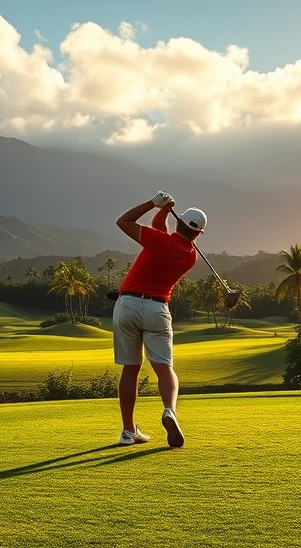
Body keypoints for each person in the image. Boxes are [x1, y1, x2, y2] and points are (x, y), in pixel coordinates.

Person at [113, 191, 206, 448]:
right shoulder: (190, 256)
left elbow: (123, 222)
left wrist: (154, 204)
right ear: (198, 235)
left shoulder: (157, 241)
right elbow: (160, 228)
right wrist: (164, 211)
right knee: (165, 369)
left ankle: (128, 431)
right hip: (157, 310)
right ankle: (169, 411)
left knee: (130, 368)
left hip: (128, 305)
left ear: (179, 223)